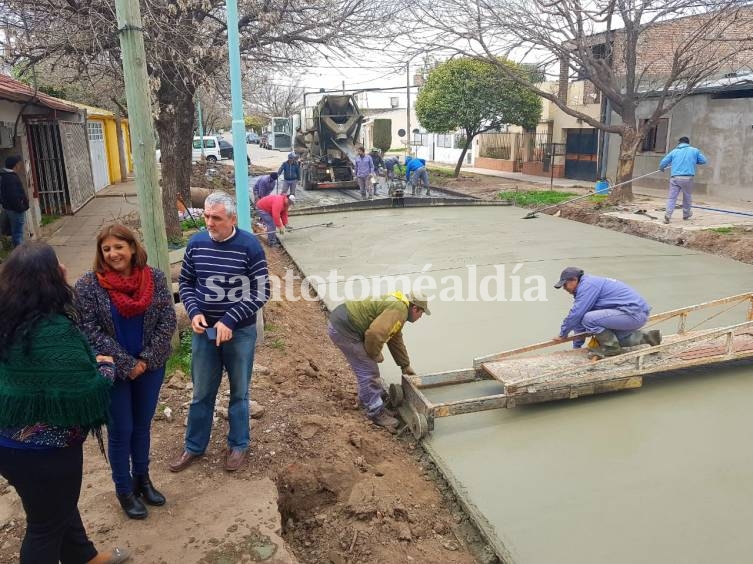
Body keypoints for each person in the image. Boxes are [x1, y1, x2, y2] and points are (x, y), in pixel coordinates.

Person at [0, 242, 130, 564]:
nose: (65, 269)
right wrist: (106, 366)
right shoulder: (54, 331)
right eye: (59, 265)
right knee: (44, 527)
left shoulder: (6, 323)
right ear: (47, 278)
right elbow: (86, 391)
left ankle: (83, 557)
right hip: (48, 453)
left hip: (9, 445)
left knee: (55, 507)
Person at [74, 224, 177, 520]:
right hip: (113, 371)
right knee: (121, 431)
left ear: (132, 247)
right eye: (106, 249)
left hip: (151, 366)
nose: (113, 254)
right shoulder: (88, 285)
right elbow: (89, 331)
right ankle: (124, 490)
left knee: (142, 426)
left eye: (118, 247)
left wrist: (144, 360)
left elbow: (167, 320)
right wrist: (126, 364)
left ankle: (142, 480)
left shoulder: (154, 278)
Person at [171, 191, 269, 473]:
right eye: (206, 216)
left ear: (232, 218)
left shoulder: (250, 246)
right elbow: (187, 282)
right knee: (201, 391)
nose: (210, 223)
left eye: (216, 218)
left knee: (239, 392)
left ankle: (238, 445)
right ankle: (193, 447)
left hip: (239, 333)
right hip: (204, 332)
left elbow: (262, 291)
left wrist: (229, 320)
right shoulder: (197, 243)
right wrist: (194, 311)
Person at [328, 291, 431, 431]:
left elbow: (394, 338)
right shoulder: (399, 310)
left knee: (368, 367)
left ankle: (368, 400)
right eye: (421, 313)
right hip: (345, 329)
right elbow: (375, 333)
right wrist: (374, 354)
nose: (420, 317)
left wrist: (405, 365)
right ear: (415, 309)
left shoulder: (400, 307)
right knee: (369, 370)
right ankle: (376, 412)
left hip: (343, 321)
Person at [553, 267, 661, 358]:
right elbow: (579, 321)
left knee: (589, 318)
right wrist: (577, 347)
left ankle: (611, 349)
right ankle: (650, 337)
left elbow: (577, 315)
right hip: (632, 315)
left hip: (632, 314)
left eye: (565, 284)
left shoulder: (588, 286)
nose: (564, 288)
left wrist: (563, 334)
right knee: (617, 339)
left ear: (574, 280)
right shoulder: (588, 285)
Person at [659, 136, 707, 224]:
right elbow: (703, 160)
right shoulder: (694, 150)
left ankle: (668, 214)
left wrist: (662, 168)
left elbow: (664, 162)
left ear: (679, 143)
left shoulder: (674, 151)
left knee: (672, 197)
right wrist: (694, 160)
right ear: (688, 143)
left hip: (675, 178)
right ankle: (686, 214)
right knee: (687, 196)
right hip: (687, 178)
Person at [0, 155, 30, 248]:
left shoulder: (4, 176)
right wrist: (21, 208)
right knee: (18, 235)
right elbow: (14, 196)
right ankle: (20, 258)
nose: (20, 166)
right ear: (16, 165)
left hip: (9, 209)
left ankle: (17, 254)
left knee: (15, 234)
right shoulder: (10, 178)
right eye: (19, 164)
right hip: (15, 210)